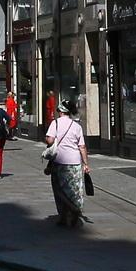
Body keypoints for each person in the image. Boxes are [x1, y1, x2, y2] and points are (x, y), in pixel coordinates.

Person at [44, 97, 88, 227]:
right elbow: (82, 147)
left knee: (59, 189)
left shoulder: (55, 123)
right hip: (75, 162)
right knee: (74, 190)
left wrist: (48, 138)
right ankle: (74, 210)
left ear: (60, 111)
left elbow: (50, 141)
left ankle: (64, 216)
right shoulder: (77, 126)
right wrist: (85, 164)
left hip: (59, 162)